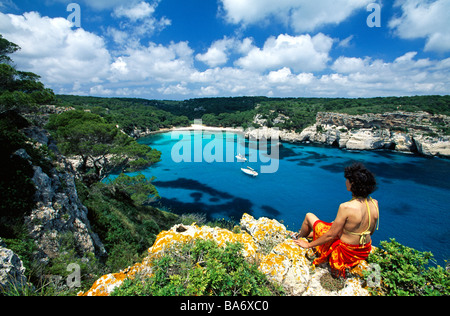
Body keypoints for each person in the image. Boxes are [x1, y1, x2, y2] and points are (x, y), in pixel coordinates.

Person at [293, 162, 379, 277]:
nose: (345, 182)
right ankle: (309, 235)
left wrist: (308, 245)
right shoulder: (374, 203)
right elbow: (371, 231)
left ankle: (298, 238)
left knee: (309, 216)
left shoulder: (346, 207)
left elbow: (331, 236)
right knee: (332, 224)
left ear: (352, 183)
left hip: (345, 253)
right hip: (363, 250)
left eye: (347, 180)